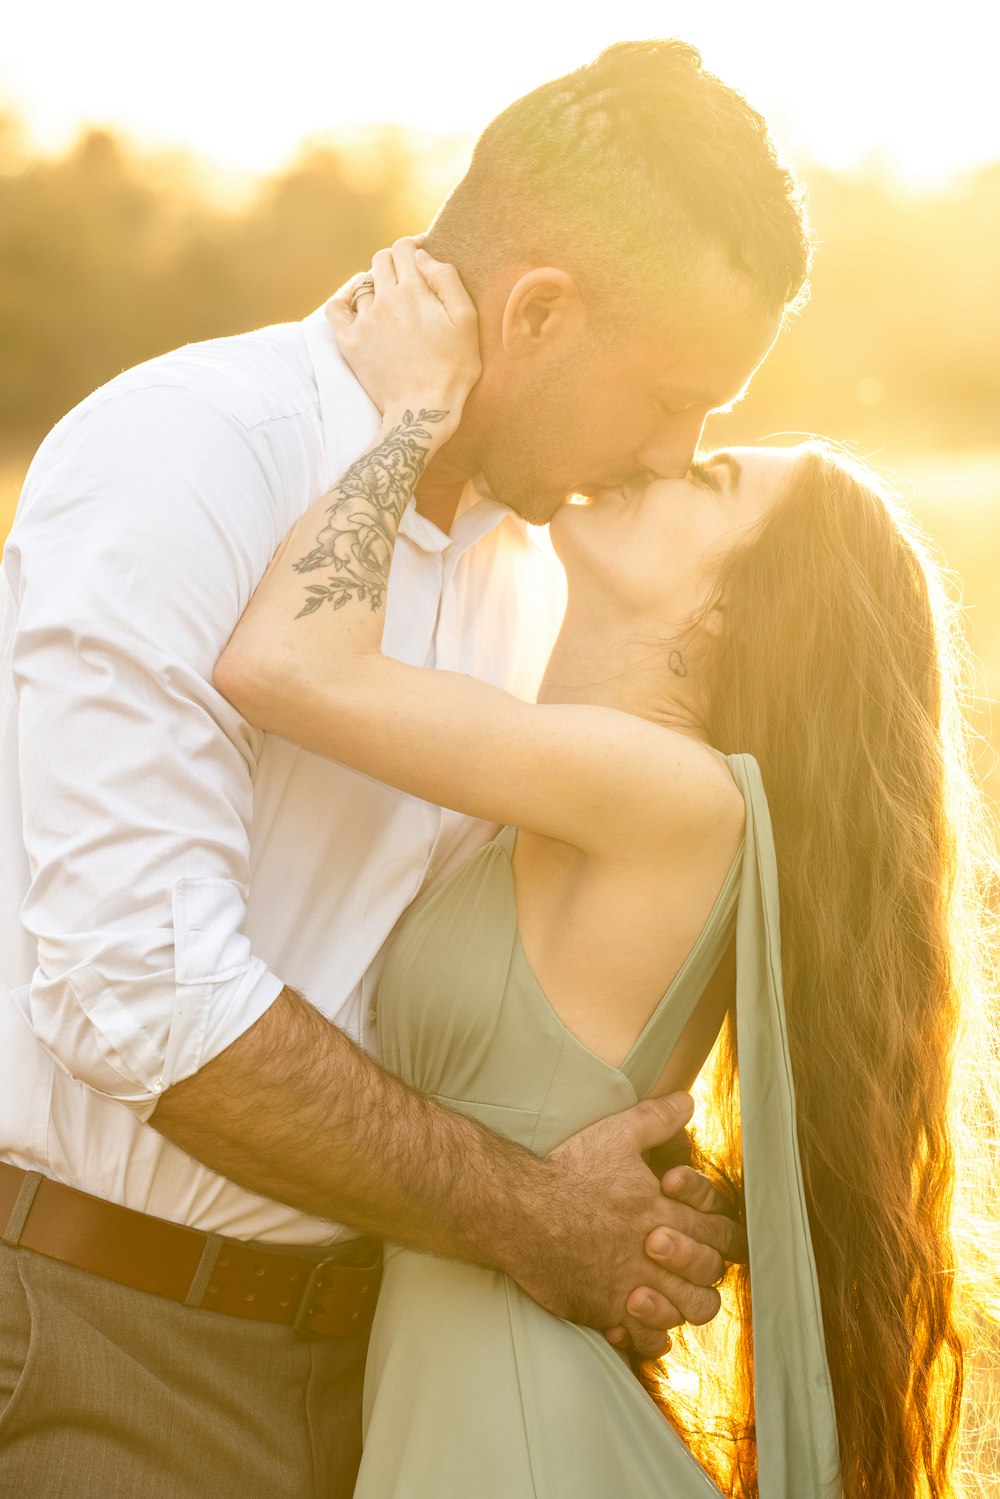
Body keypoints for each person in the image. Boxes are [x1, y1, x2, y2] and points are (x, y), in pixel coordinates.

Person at [0, 40, 811, 1499]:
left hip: (394, 1365)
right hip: (115, 1333)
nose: (671, 455)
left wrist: (645, 1181)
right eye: (675, 399)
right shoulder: (190, 454)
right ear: (541, 311)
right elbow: (138, 990)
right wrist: (535, 1216)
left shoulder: (542, 567)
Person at [215, 245, 1000, 1499]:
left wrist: (415, 410)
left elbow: (287, 669)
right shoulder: (588, 773)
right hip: (465, 1419)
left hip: (520, 1443)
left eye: (714, 478)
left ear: (728, 614)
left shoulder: (666, 792)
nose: (660, 457)